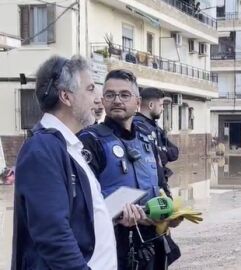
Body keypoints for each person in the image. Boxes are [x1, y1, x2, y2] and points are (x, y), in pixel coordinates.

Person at [12, 55, 123, 269]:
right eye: (90, 89)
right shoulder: (42, 149)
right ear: (66, 96)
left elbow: (73, 215)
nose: (98, 99)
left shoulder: (67, 146)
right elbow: (53, 235)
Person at [78, 69, 180, 270]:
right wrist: (115, 216)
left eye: (124, 95)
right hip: (113, 248)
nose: (117, 100)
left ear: (137, 101)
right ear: (103, 99)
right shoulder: (89, 141)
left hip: (153, 245)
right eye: (110, 95)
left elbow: (161, 186)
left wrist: (171, 212)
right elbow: (81, 206)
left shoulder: (146, 138)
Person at [133, 87, 179, 198]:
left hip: (160, 182)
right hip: (146, 185)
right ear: (151, 105)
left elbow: (174, 152)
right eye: (161, 105)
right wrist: (159, 152)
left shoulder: (156, 128)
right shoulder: (135, 127)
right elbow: (151, 158)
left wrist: (161, 151)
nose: (162, 109)